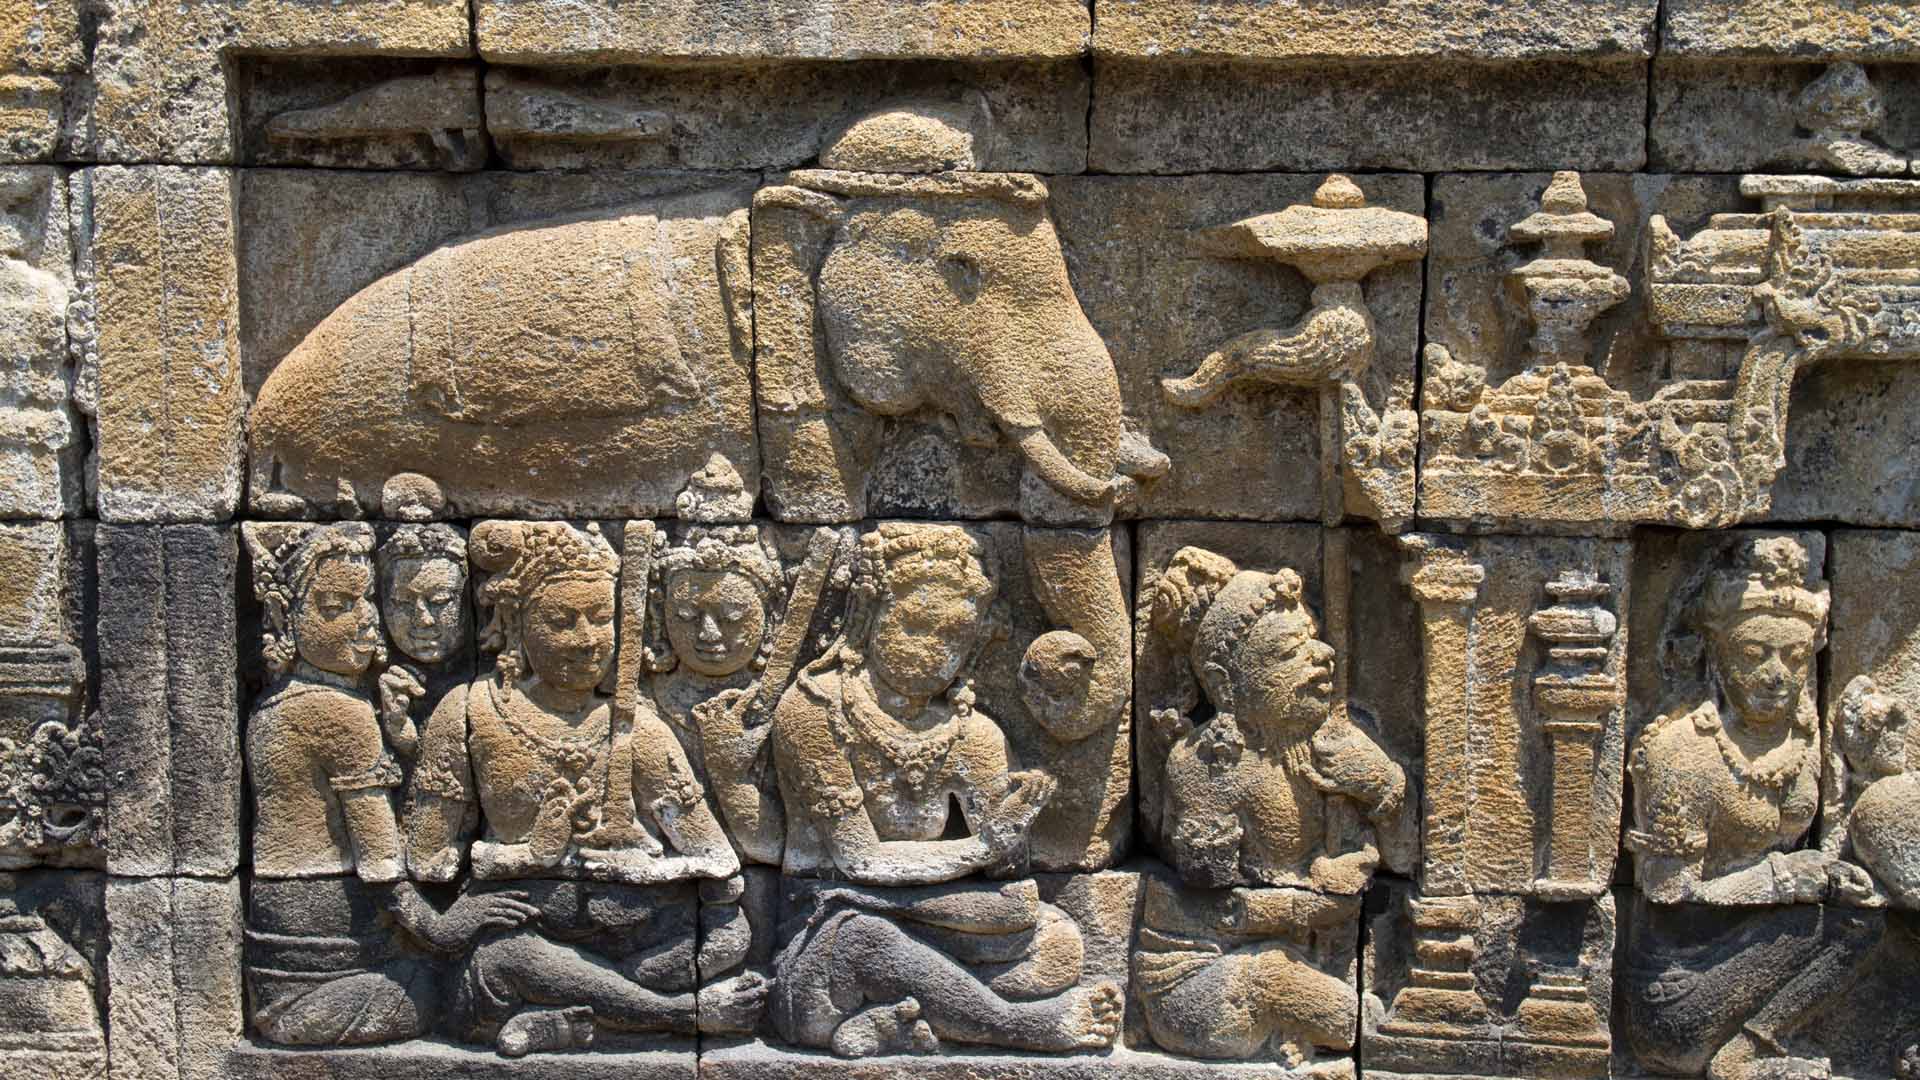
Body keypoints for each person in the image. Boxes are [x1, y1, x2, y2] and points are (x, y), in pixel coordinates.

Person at [406, 520, 765, 1055]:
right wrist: (527, 856)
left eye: (601, 619)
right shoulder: (471, 712)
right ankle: (677, 1015)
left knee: (727, 939)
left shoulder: (634, 725)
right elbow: (428, 858)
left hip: (633, 929)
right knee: (504, 961)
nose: (586, 640)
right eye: (560, 621)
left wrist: (639, 861)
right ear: (516, 621)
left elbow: (715, 858)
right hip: (527, 928)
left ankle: (576, 1018)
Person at [768, 523, 1122, 1057]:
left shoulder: (973, 734)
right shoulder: (814, 711)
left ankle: (913, 1011)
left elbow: (1006, 880)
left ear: (976, 640)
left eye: (954, 635)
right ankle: (1018, 1025)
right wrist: (982, 847)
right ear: (868, 616)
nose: (934, 652)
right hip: (827, 927)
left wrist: (1012, 825)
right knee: (866, 939)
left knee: (1053, 939)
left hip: (924, 915)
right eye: (914, 626)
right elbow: (858, 858)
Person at [243, 523, 538, 1048]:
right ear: (285, 617)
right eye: (336, 606)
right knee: (477, 978)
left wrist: (403, 741)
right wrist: (446, 927)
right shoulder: (341, 713)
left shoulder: (270, 706)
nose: (365, 620)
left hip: (277, 966)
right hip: (329, 977)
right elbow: (382, 867)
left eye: (366, 601)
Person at [1133, 547, 1404, 1064]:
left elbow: (1402, 850)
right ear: (1225, 682)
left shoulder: (1326, 744)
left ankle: (1297, 1027)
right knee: (1359, 1022)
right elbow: (1206, 903)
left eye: (1315, 639)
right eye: (1288, 653)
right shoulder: (1209, 764)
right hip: (1201, 979)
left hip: (1292, 956)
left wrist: (1383, 787)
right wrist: (1311, 902)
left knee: (1360, 1014)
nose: (1321, 656)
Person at [1623, 535, 1879, 1080]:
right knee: (1848, 926)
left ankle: (1753, 1044)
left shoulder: (1805, 738)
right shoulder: (1681, 751)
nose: (1776, 675)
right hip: (1677, 991)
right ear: (1716, 652)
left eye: (1794, 658)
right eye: (1754, 654)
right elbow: (1670, 893)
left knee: (1864, 920)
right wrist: (1784, 879)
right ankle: (1742, 1055)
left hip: (1757, 950)